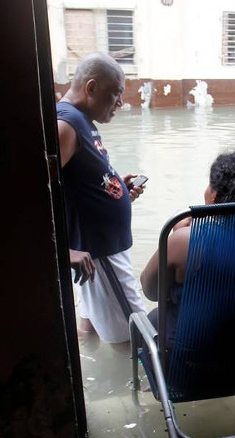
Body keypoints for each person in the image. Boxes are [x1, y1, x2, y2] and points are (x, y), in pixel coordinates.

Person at [139, 149, 235, 393]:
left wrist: (176, 234)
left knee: (151, 319)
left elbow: (149, 290)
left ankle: (157, 385)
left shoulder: (184, 241)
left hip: (193, 372)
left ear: (215, 196)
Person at [57, 52, 146, 344]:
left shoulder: (82, 120)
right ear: (92, 87)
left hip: (99, 252)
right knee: (139, 340)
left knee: (91, 332)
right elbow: (30, 197)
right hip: (100, 255)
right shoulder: (66, 126)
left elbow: (81, 183)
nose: (120, 102)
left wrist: (119, 189)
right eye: (115, 94)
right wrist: (62, 252)